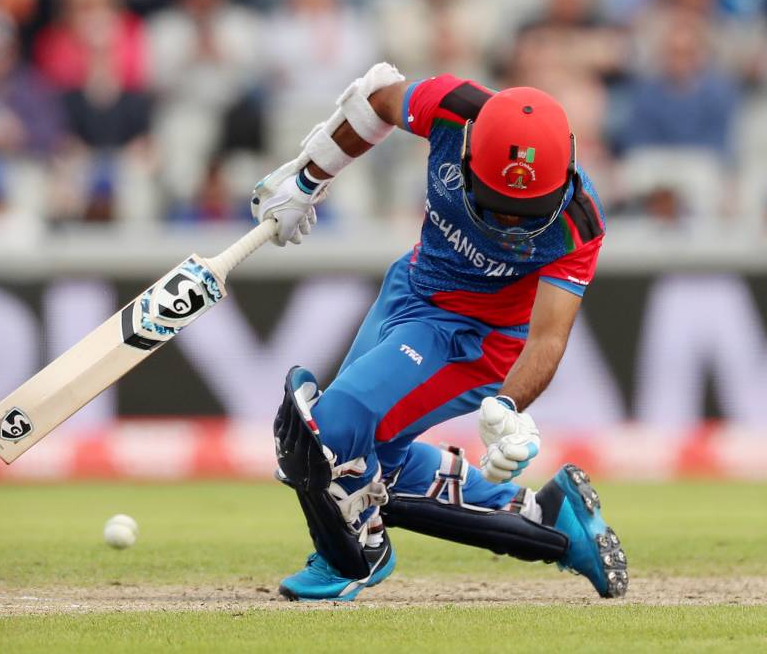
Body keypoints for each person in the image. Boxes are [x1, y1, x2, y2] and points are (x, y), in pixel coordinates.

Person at [252, 63, 628, 601]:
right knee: (368, 461)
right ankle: (554, 522)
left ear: (566, 169)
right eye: (501, 208)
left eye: (531, 212)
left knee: (330, 439)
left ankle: (353, 557)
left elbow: (547, 337)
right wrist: (307, 178)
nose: (515, 226)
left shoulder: (579, 219)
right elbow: (377, 99)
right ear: (470, 153)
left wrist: (508, 405)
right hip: (409, 288)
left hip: (474, 339)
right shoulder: (452, 109)